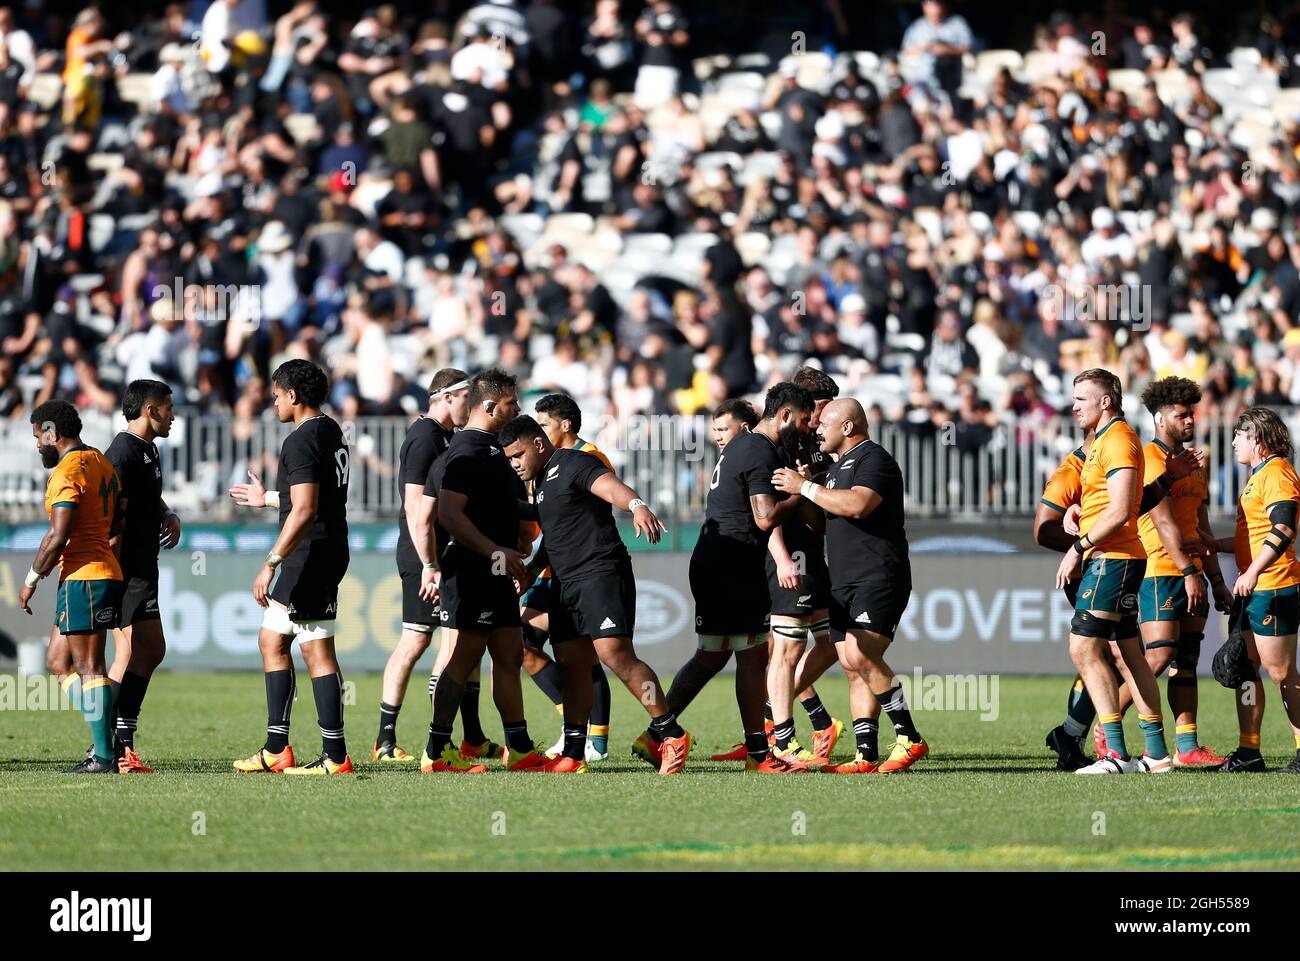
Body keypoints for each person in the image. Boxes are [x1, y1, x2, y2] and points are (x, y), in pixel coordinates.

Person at [501, 415, 690, 774]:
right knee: (573, 666)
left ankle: (670, 733)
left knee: (614, 654)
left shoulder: (574, 461)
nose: (515, 464)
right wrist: (529, 571)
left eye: (518, 455)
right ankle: (574, 752)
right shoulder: (540, 480)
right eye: (509, 458)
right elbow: (554, 537)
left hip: (600, 573)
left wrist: (636, 505)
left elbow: (610, 486)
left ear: (538, 444)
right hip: (565, 583)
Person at [641, 383, 814, 774]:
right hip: (734, 564)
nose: (805, 429)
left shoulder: (743, 444)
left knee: (712, 655)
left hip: (714, 560)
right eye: (803, 421)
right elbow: (765, 517)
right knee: (753, 658)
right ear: (784, 415)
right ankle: (758, 755)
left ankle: (657, 733)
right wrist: (802, 492)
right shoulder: (759, 450)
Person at [773, 398, 927, 774]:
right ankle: (865, 754)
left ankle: (910, 737)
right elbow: (827, 519)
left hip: (879, 575)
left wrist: (805, 488)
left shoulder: (875, 459)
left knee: (860, 654)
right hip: (843, 579)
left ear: (847, 428)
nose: (817, 428)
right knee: (850, 664)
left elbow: (858, 505)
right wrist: (805, 489)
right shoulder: (834, 469)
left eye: (825, 422)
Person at [227, 360, 354, 775]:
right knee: (272, 641)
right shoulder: (330, 429)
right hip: (322, 548)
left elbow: (304, 510)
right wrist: (267, 498)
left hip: (310, 554)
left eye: (277, 394)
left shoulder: (299, 440)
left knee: (317, 651)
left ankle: (336, 756)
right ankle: (276, 748)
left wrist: (269, 563)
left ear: (293, 395)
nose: (274, 401)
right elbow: (309, 495)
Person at [421, 369, 547, 773]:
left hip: (494, 569)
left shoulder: (490, 449)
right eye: (512, 403)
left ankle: (521, 749)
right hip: (473, 569)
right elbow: (447, 514)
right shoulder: (466, 452)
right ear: (491, 407)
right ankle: (437, 751)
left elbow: (502, 511)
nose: (518, 409)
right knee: (464, 655)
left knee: (509, 654)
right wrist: (495, 552)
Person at [1053, 369, 1170, 775]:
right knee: (1129, 655)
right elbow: (1115, 501)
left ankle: (1115, 754)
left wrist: (1079, 546)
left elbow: (1122, 512)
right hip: (1117, 557)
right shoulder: (1104, 442)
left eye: (1082, 398)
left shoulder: (1118, 439)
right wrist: (1080, 513)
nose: (1074, 406)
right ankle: (1156, 753)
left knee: (1084, 649)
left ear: (1106, 402)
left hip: (1112, 560)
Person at [372, 368, 492, 762]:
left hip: (439, 554)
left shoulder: (443, 436)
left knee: (457, 638)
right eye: (465, 400)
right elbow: (413, 505)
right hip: (425, 555)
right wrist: (428, 561)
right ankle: (413, 741)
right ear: (446, 396)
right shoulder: (424, 437)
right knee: (430, 641)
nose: (470, 408)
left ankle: (469, 736)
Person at [1126, 377, 1230, 767]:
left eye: (1192, 413)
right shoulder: (1152, 459)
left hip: (1193, 571)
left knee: (1185, 659)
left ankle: (1187, 747)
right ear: (1159, 417)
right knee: (1157, 656)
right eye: (1181, 414)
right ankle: (1106, 727)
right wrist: (1188, 571)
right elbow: (1165, 522)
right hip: (1160, 569)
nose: (1190, 420)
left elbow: (1200, 529)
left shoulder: (1194, 465)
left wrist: (1216, 579)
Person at [18, 400, 125, 773]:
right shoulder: (100, 461)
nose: (37, 446)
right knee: (58, 662)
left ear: (52, 432)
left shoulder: (68, 471)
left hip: (86, 578)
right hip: (95, 573)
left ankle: (105, 755)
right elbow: (117, 524)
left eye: (38, 437)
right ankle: (107, 738)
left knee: (89, 666)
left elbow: (58, 533)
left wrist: (32, 578)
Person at [519, 392, 615, 761]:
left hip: (581, 571)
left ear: (565, 425)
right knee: (522, 645)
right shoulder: (543, 463)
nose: (537, 431)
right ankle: (572, 724)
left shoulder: (589, 457)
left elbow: (583, 518)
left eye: (543, 423)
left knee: (586, 655)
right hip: (549, 568)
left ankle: (597, 741)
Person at [1210, 408, 1300, 774]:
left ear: (1257, 439)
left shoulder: (1277, 473)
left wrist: (1254, 572)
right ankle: (1249, 750)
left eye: (1239, 435)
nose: (1233, 442)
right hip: (1255, 585)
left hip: (1274, 585)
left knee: (1282, 674)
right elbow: (1257, 535)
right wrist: (1215, 544)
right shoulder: (1259, 475)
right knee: (1244, 668)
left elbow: (1282, 531)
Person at [104, 379, 181, 774]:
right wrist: (109, 575)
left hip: (142, 566)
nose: (173, 414)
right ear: (151, 410)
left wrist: (167, 512)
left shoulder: (147, 449)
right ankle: (108, 748)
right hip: (125, 569)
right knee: (130, 651)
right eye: (169, 407)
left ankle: (120, 743)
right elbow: (107, 514)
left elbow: (146, 496)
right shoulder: (121, 452)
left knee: (151, 649)